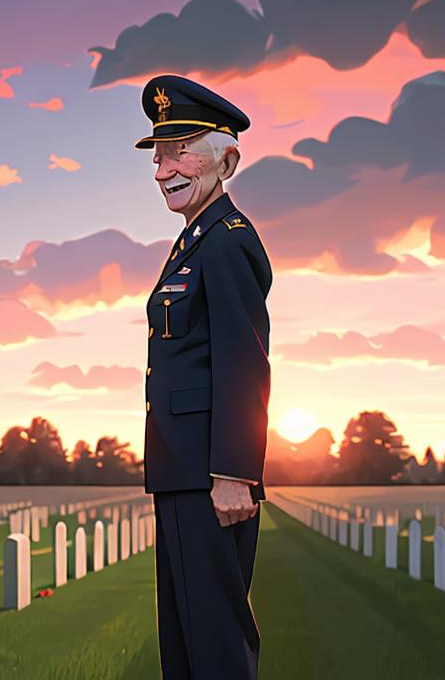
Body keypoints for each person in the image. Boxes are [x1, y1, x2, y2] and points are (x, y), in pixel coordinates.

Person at [136, 74, 272, 679]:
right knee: (185, 643)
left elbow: (244, 358)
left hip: (210, 477)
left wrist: (234, 472)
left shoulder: (225, 242)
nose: (163, 170)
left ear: (227, 162)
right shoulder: (193, 240)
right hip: (181, 469)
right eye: (158, 155)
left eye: (180, 151)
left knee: (215, 645)